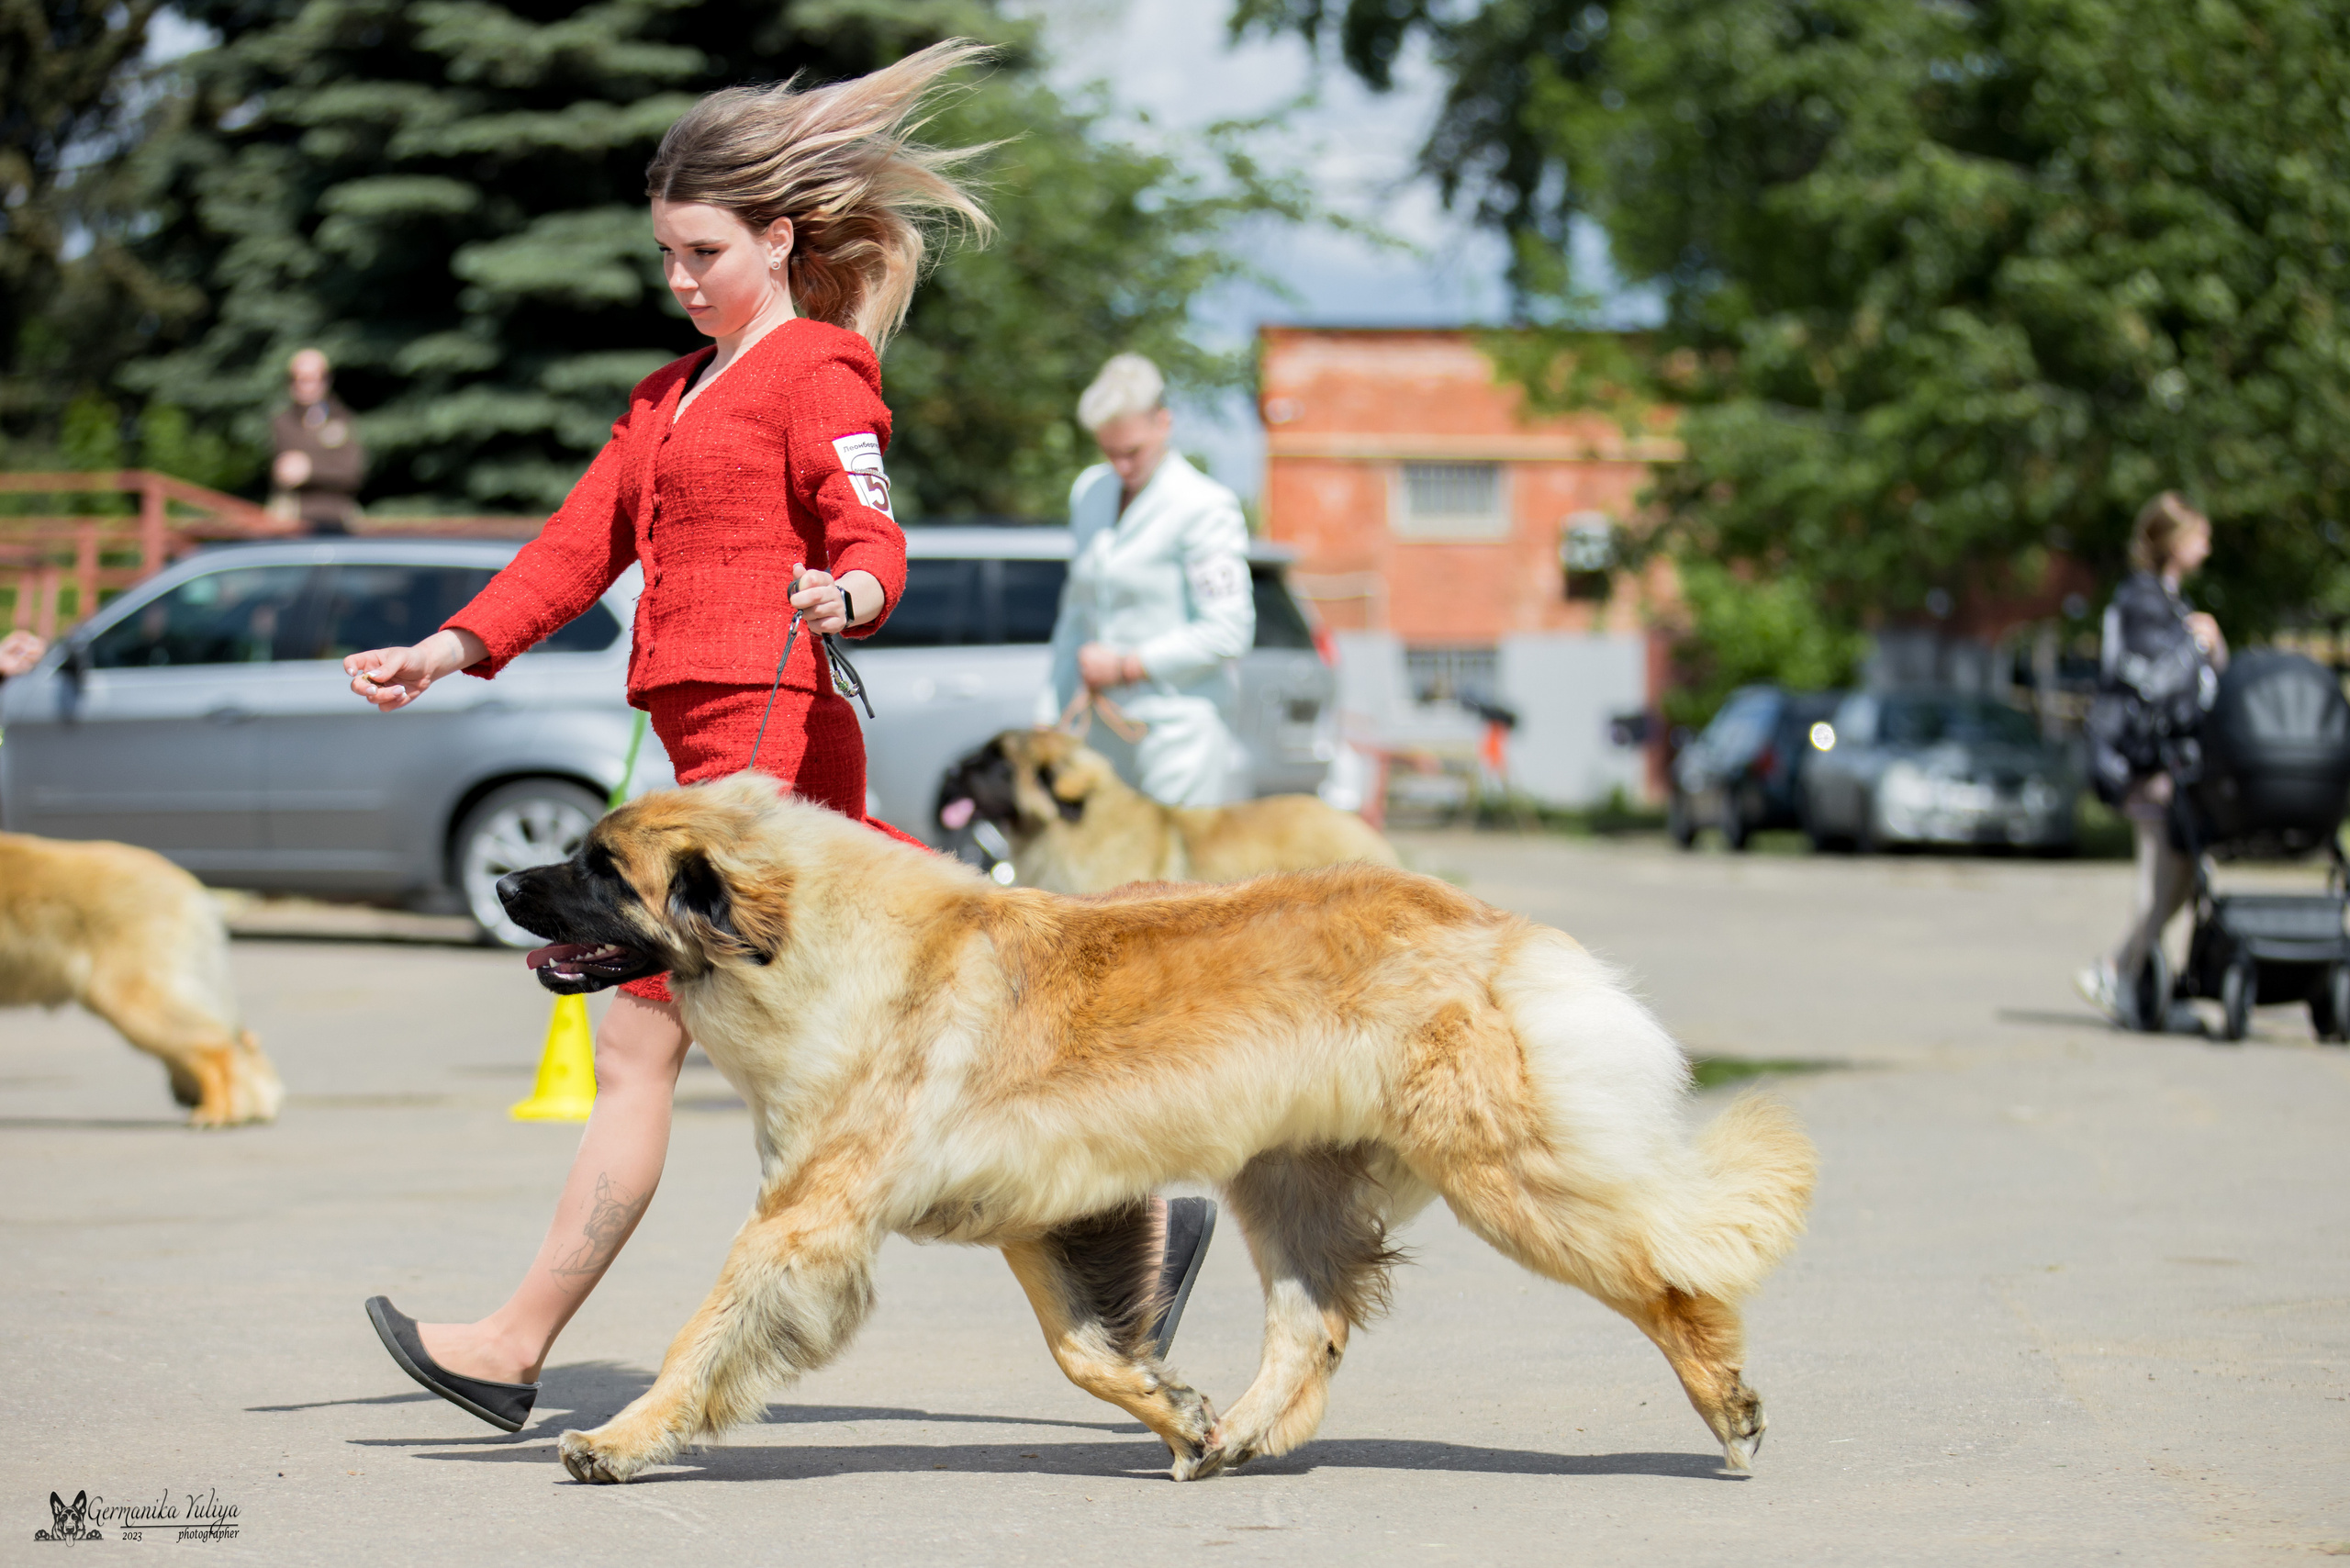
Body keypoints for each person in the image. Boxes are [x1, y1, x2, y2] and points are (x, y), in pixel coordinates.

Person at [340, 45, 1214, 1435]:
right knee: (905, 1016)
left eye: (704, 252)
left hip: (769, 765)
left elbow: (872, 532)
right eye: (667, 254)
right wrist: (450, 648)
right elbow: (574, 549)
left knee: (668, 1048)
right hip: (700, 765)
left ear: (780, 238)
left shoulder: (817, 367)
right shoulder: (664, 397)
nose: (681, 278)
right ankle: (1122, 1217)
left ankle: (512, 1347)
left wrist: (849, 590)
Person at [1035, 353, 1256, 807]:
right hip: (1102, 729)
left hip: (1179, 730)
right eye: (1108, 452)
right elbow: (1077, 613)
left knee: (1176, 879)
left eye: (1132, 451)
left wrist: (1127, 665)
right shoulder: (1090, 491)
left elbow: (1230, 631)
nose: (1120, 466)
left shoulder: (1205, 505)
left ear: (1164, 422)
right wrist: (1049, 713)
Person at [2076, 492, 2228, 1027]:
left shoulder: (2169, 600)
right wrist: (2197, 642)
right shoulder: (2142, 600)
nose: (2208, 548)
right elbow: (2150, 679)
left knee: (2183, 875)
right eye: (2200, 537)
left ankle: (2133, 972)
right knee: (2161, 876)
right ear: (2174, 542)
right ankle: (2122, 972)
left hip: (2170, 760)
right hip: (2144, 759)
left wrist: (2210, 642)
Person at [270, 349, 367, 534]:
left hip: (337, 518)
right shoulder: (282, 422)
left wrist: (310, 469)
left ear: (326, 380)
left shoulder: (342, 419)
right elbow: (282, 474)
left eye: (312, 378)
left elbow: (352, 473)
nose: (305, 386)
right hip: (294, 519)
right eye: (298, 379)